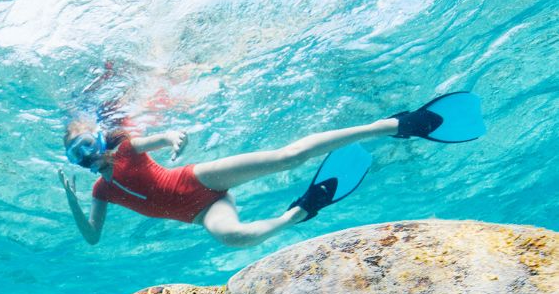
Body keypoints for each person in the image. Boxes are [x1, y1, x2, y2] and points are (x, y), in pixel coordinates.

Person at [58, 92, 485, 247]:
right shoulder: (99, 193)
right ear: (75, 162)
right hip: (202, 212)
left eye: (88, 145)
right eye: (78, 154)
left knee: (288, 157)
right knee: (234, 239)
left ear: (100, 139)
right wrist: (73, 201)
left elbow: (164, 137)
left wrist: (173, 139)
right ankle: (300, 211)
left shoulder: (129, 150)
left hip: (200, 179)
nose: (88, 155)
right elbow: (92, 238)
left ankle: (394, 125)